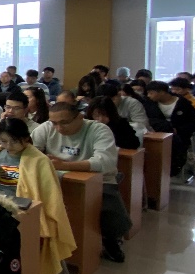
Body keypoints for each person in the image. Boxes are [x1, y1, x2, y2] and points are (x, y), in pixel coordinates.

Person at [0, 117, 76, 274]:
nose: (8, 146)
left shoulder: (39, 160)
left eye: (14, 141)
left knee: (1, 226)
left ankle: (5, 270)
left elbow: (45, 195)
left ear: (25, 139)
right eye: (3, 141)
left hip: (22, 206)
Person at [32, 102, 131, 262]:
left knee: (106, 209)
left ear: (79, 117)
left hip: (98, 179)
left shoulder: (98, 130)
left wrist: (65, 165)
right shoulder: (46, 128)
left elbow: (105, 162)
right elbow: (30, 150)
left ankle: (110, 241)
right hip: (57, 177)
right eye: (54, 123)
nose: (58, 128)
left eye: (64, 122)